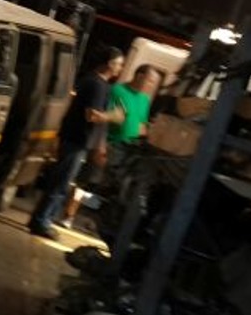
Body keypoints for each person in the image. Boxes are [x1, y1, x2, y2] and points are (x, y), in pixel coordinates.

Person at [29, 45, 123, 239]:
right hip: (76, 140)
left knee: (60, 181)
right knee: (60, 183)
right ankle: (42, 221)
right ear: (110, 64)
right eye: (119, 64)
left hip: (74, 139)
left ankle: (41, 219)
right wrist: (113, 116)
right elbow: (91, 115)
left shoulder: (93, 81)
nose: (120, 68)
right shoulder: (97, 85)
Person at [58, 63, 161, 228]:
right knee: (87, 181)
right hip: (110, 144)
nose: (152, 86)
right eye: (150, 81)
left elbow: (141, 124)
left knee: (111, 187)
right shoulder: (116, 91)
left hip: (129, 149)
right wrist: (100, 145)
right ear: (139, 76)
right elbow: (103, 119)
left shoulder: (144, 100)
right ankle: (68, 215)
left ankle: (96, 219)